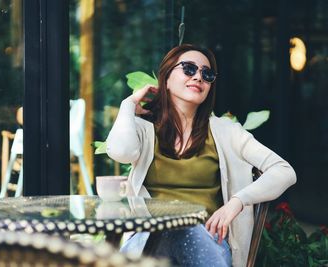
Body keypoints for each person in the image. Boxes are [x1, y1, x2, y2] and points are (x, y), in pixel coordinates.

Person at [105, 44, 296, 267]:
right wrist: (128, 104)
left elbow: (284, 171)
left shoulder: (227, 132)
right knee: (169, 226)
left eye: (207, 74)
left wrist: (237, 202)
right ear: (166, 78)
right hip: (150, 240)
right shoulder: (144, 129)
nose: (198, 77)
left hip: (206, 240)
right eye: (188, 69)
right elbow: (121, 152)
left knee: (184, 226)